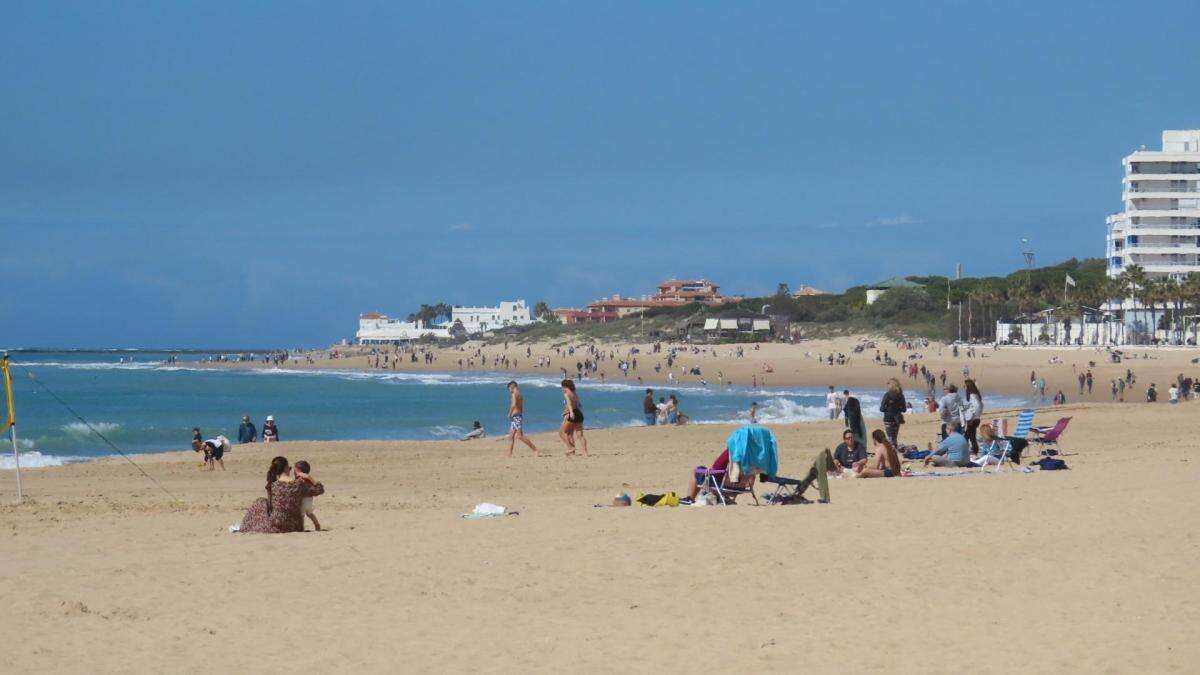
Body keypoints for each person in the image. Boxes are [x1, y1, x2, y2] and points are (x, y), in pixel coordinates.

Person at [237, 456, 325, 534]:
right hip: (294, 526)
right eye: (289, 468)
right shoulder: (299, 484)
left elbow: (270, 506)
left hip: (276, 524)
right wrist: (309, 478)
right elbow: (320, 490)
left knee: (260, 501)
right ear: (286, 468)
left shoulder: (273, 485)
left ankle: (245, 526)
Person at [505, 381, 539, 456]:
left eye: (509, 389)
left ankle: (535, 450)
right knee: (511, 436)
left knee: (520, 436)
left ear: (512, 387)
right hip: (517, 416)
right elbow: (520, 407)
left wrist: (509, 413)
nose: (509, 391)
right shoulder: (520, 394)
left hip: (516, 417)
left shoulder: (514, 394)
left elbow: (513, 405)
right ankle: (509, 454)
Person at [559, 379, 587, 456]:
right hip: (579, 413)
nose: (562, 389)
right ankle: (585, 452)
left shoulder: (566, 394)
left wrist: (570, 412)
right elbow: (579, 404)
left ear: (565, 386)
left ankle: (571, 448)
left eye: (562, 387)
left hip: (572, 414)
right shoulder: (574, 393)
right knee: (578, 435)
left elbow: (569, 404)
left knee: (562, 433)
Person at [293, 460, 321, 531]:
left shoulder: (301, 478)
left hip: (303, 500)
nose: (293, 471)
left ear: (299, 470)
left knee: (301, 515)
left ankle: (301, 527)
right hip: (309, 499)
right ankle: (316, 524)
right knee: (309, 513)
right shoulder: (307, 479)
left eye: (295, 469)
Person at [879, 378, 907, 448]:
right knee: (894, 438)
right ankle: (894, 453)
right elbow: (904, 409)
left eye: (888, 384)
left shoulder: (887, 395)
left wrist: (888, 409)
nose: (887, 386)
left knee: (890, 438)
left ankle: (891, 454)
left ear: (891, 385)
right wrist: (897, 409)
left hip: (888, 418)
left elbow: (881, 409)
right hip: (897, 418)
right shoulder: (901, 395)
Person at [961, 379, 983, 454]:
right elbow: (980, 406)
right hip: (976, 418)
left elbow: (975, 407)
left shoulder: (972, 395)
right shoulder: (976, 394)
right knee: (971, 436)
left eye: (965, 386)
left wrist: (971, 417)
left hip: (973, 419)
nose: (964, 387)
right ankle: (974, 450)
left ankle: (967, 450)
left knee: (967, 436)